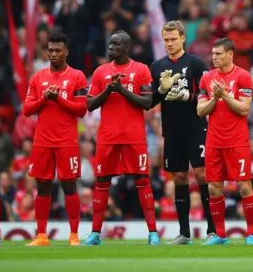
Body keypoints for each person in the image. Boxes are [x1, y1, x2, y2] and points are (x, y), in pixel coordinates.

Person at [82, 31, 160, 246]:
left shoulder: (141, 70)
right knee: (102, 182)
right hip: (108, 136)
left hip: (134, 136)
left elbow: (146, 103)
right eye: (110, 44)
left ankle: (153, 232)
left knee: (143, 181)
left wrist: (122, 90)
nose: (110, 48)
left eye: (116, 44)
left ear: (126, 47)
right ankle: (95, 233)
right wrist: (108, 91)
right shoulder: (100, 72)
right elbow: (89, 105)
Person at [149, 21, 216, 245]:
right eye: (166, 40)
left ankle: (212, 230)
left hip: (196, 127)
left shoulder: (196, 64)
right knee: (178, 177)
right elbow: (150, 101)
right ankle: (184, 234)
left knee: (202, 174)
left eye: (173, 39)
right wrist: (161, 90)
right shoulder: (157, 66)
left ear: (182, 38)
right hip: (172, 129)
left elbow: (208, 97)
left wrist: (189, 96)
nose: (169, 44)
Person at [23, 32, 88, 247]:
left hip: (67, 140)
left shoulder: (77, 76)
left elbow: (81, 109)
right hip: (42, 140)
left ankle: (74, 235)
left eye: (57, 50)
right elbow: (27, 109)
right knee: (42, 186)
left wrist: (58, 98)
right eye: (50, 50)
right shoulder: (37, 77)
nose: (53, 54)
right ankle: (41, 235)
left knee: (69, 186)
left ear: (66, 52)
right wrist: (44, 98)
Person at [197, 38, 253, 245]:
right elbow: (200, 110)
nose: (214, 57)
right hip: (214, 140)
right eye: (213, 54)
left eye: (219, 54)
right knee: (213, 188)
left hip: (237, 140)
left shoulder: (243, 76)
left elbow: (244, 109)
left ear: (230, 54)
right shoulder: (207, 79)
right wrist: (215, 99)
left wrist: (224, 95)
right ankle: (221, 235)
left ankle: (250, 234)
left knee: (244, 186)